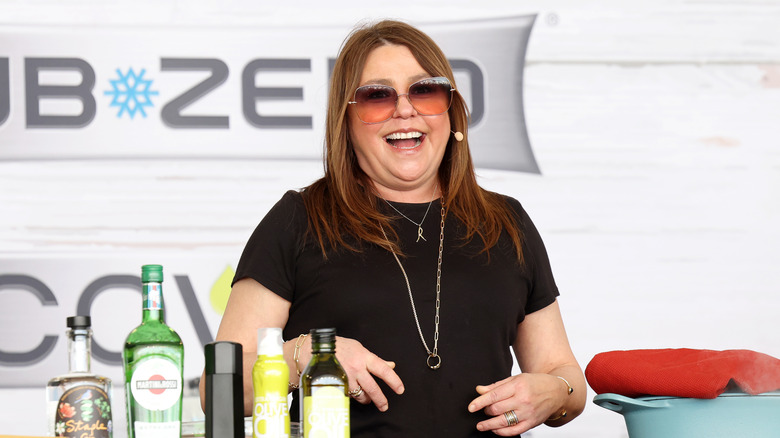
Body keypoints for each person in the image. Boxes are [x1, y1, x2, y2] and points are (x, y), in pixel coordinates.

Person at [201, 19, 586, 437]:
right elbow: (216, 390)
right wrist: (306, 355)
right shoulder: (300, 219)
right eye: (376, 97)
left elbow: (564, 375)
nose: (406, 109)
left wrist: (555, 391)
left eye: (425, 90)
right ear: (346, 123)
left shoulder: (506, 222)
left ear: (451, 111)